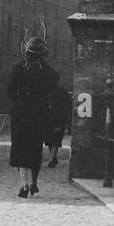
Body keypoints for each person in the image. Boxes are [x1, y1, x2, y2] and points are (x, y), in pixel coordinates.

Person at [7, 37, 59, 197]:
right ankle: (34, 183)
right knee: (35, 149)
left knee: (20, 149)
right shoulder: (48, 71)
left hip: (21, 113)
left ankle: (24, 185)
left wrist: (19, 102)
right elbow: (53, 90)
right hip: (39, 114)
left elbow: (10, 91)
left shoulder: (18, 68)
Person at [46, 82, 71, 168]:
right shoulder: (62, 91)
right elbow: (67, 105)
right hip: (58, 117)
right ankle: (52, 157)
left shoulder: (47, 90)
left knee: (51, 138)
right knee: (55, 139)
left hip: (51, 117)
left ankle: (51, 158)